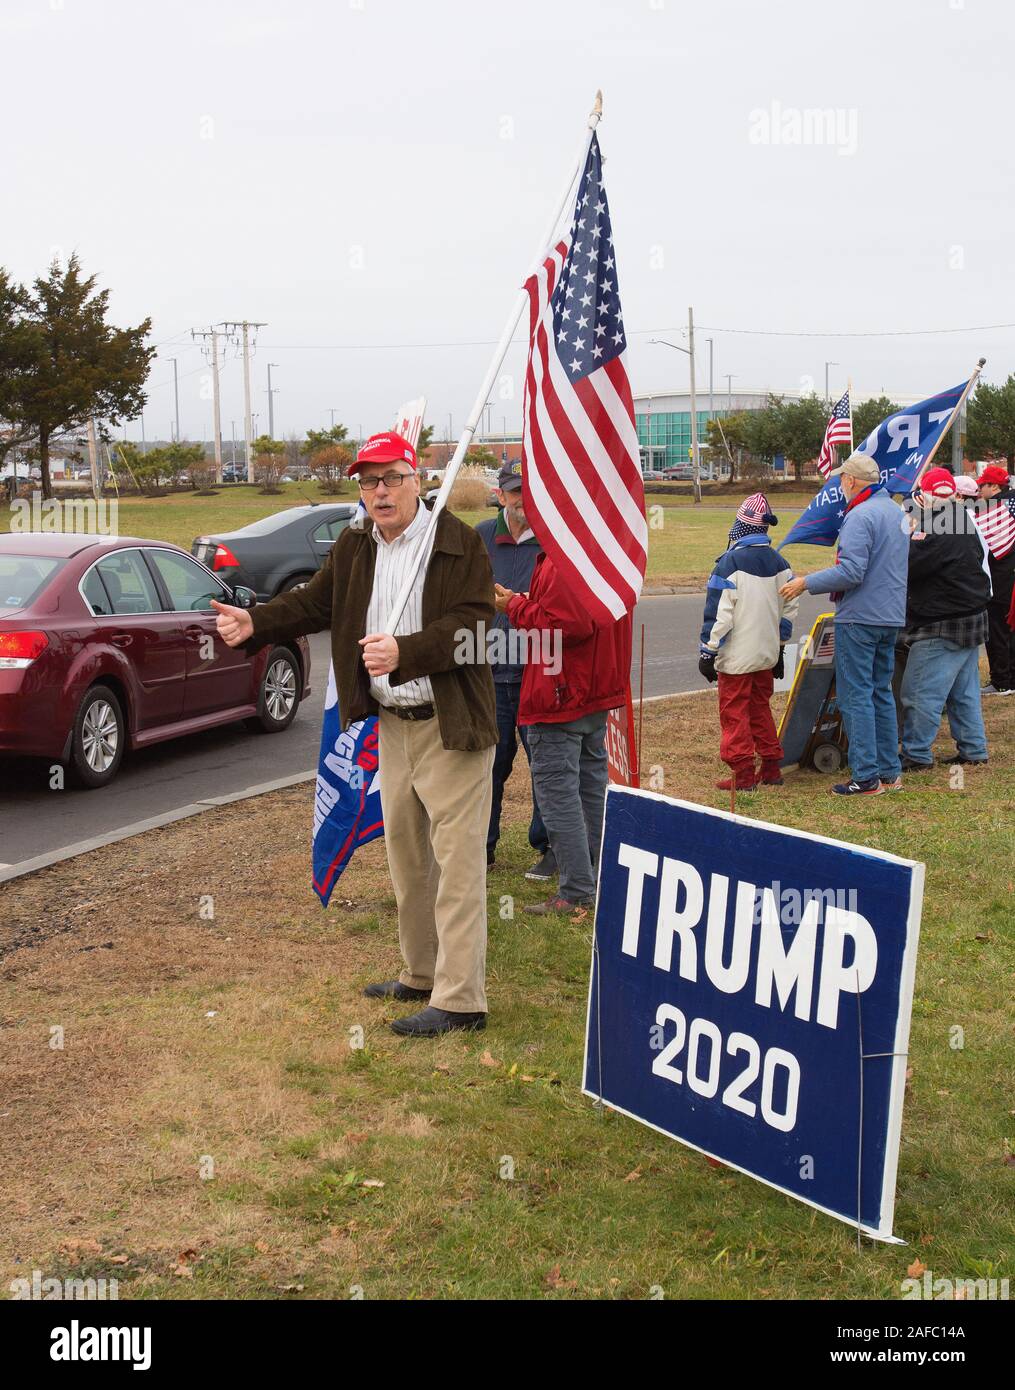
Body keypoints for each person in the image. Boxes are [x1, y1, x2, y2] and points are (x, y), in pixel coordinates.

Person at [211, 431, 498, 1037]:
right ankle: (421, 974)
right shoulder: (354, 545)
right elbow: (315, 605)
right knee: (408, 859)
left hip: (450, 727)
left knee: (459, 865)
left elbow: (476, 630)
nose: (380, 492)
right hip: (392, 727)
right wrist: (255, 622)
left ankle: (462, 999)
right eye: (369, 481)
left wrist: (406, 651)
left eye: (392, 478)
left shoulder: (457, 543)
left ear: (416, 478)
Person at [495, 556, 631, 915]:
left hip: (560, 694)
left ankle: (576, 892)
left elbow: (563, 626)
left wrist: (515, 606)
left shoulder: (563, 558)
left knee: (560, 798)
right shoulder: (599, 549)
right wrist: (528, 600)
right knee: (590, 792)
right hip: (591, 689)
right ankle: (603, 880)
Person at [780, 452, 909, 796]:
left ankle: (866, 776)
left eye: (841, 479)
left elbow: (851, 571)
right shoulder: (896, 512)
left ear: (851, 480)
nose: (839, 484)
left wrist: (806, 582)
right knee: (881, 692)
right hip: (890, 615)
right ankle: (888, 772)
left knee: (856, 697)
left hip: (861, 616)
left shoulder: (859, 516)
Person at [474, 461, 553, 880]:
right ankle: (482, 848)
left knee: (546, 767)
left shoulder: (554, 540)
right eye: (514, 490)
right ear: (501, 495)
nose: (522, 498)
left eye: (529, 489)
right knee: (489, 767)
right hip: (488, 673)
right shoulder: (481, 537)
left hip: (539, 672)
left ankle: (547, 847)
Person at [698, 492, 798, 791]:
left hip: (736, 657)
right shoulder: (781, 562)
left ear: (741, 525)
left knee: (734, 713)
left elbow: (719, 616)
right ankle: (770, 768)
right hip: (766, 654)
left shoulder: (729, 563)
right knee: (759, 708)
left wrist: (707, 652)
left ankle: (742, 774)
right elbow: (789, 610)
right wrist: (780, 649)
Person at [898, 468, 991, 770]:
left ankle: (916, 754)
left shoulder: (934, 525)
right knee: (962, 692)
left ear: (924, 494)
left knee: (919, 692)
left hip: (941, 622)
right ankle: (974, 748)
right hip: (971, 615)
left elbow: (909, 565)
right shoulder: (963, 517)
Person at [973, 464, 1015, 695]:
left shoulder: (994, 508)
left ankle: (1001, 681)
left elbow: (988, 547)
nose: (979, 490)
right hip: (1011, 577)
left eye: (982, 485)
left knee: (997, 628)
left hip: (999, 578)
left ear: (994, 486)